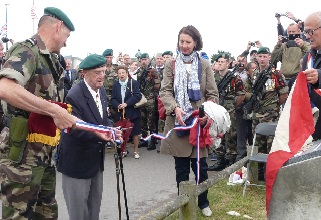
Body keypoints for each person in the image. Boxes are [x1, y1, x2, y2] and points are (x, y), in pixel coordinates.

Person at [0, 7, 78, 219]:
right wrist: (52, 110)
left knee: (46, 213)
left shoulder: (50, 60)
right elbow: (5, 87)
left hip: (44, 155)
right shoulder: (27, 51)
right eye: (67, 36)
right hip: (22, 157)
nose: (66, 43)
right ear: (58, 27)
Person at [159, 25, 219, 217]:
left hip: (198, 123)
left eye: (188, 42)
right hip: (178, 123)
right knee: (181, 169)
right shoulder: (171, 65)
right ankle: (183, 204)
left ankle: (203, 202)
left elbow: (212, 94)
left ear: (195, 43)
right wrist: (175, 107)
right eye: (181, 41)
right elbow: (165, 91)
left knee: (201, 168)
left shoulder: (205, 64)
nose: (184, 45)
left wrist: (205, 113)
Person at [57, 54, 120, 220]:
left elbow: (104, 118)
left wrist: (112, 129)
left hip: (95, 161)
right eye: (97, 72)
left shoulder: (101, 91)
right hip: (77, 163)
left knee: (93, 212)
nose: (102, 76)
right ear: (84, 73)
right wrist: (102, 134)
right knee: (79, 214)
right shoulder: (74, 95)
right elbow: (74, 129)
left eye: (103, 72)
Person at [208, 53, 245, 171]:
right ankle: (220, 160)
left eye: (222, 61)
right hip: (216, 110)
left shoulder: (234, 78)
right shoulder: (214, 77)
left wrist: (233, 106)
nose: (219, 64)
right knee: (218, 134)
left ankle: (231, 161)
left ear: (228, 63)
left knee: (230, 136)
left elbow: (241, 95)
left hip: (229, 111)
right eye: (218, 61)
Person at [111, 65, 142, 159]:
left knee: (135, 132)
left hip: (132, 111)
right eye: (119, 73)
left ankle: (136, 151)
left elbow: (137, 96)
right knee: (121, 133)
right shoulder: (116, 85)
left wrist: (126, 104)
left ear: (126, 73)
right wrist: (118, 105)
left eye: (123, 73)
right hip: (120, 112)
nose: (121, 75)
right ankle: (123, 150)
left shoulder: (133, 83)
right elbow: (113, 98)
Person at [271, 23, 310, 91]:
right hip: (283, 79)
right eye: (289, 32)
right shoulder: (283, 45)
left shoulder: (305, 44)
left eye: (293, 32)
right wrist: (278, 46)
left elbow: (309, 57)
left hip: (297, 79)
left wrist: (302, 46)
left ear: (299, 32)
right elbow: (273, 59)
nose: (291, 34)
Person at [302, 11, 321, 140]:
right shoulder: (307, 58)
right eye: (305, 32)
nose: (307, 36)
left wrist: (319, 75)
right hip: (316, 122)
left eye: (310, 31)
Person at [136, 53, 160, 150]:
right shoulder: (139, 71)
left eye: (145, 59)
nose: (143, 61)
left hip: (150, 100)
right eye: (142, 59)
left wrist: (153, 94)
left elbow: (158, 84)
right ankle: (144, 140)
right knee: (143, 121)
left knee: (151, 122)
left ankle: (153, 141)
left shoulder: (152, 71)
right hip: (142, 99)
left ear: (149, 60)